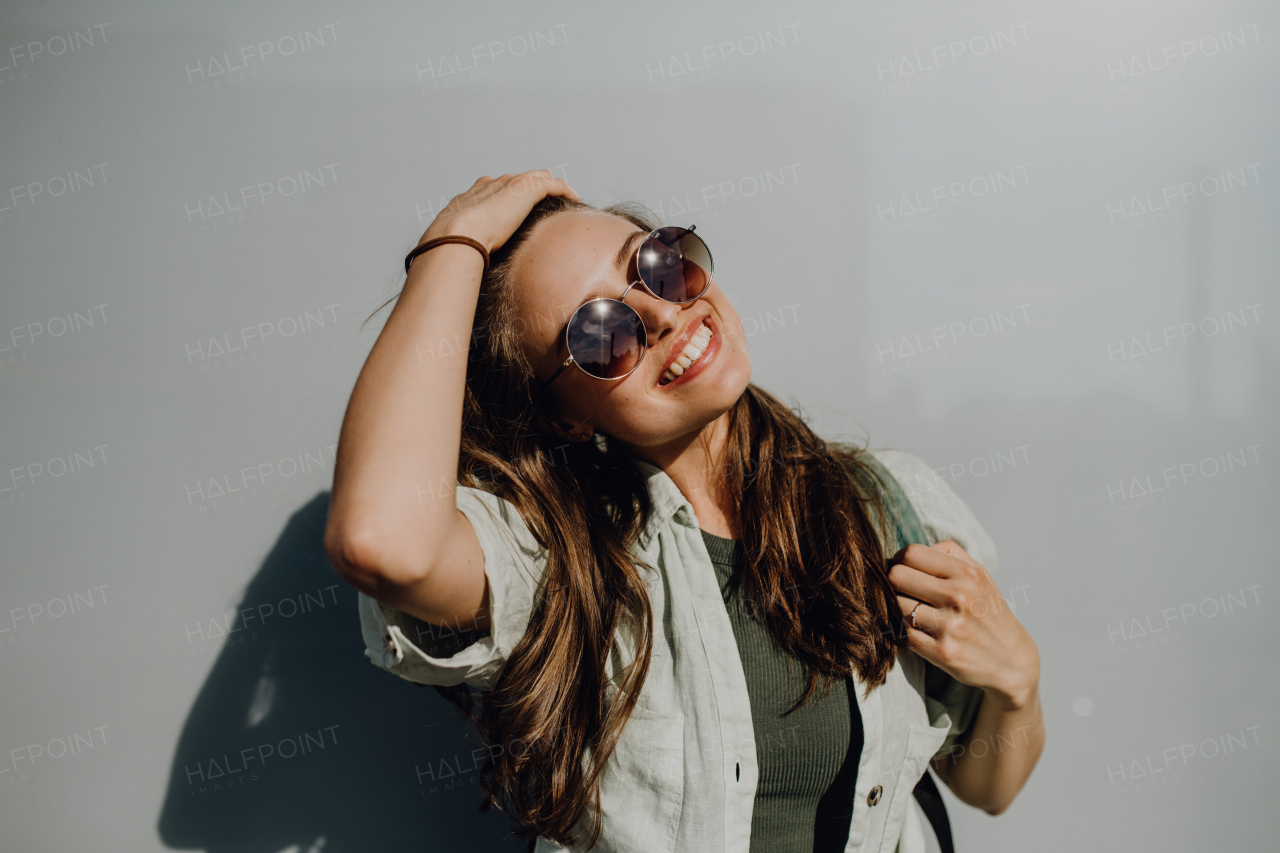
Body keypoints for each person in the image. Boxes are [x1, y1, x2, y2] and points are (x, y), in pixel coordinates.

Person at [324, 171, 1044, 853]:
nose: (667, 313)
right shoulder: (552, 558)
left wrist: (1017, 679)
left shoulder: (886, 503)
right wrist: (454, 242)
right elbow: (380, 539)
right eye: (600, 333)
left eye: (657, 263)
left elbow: (987, 785)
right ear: (567, 415)